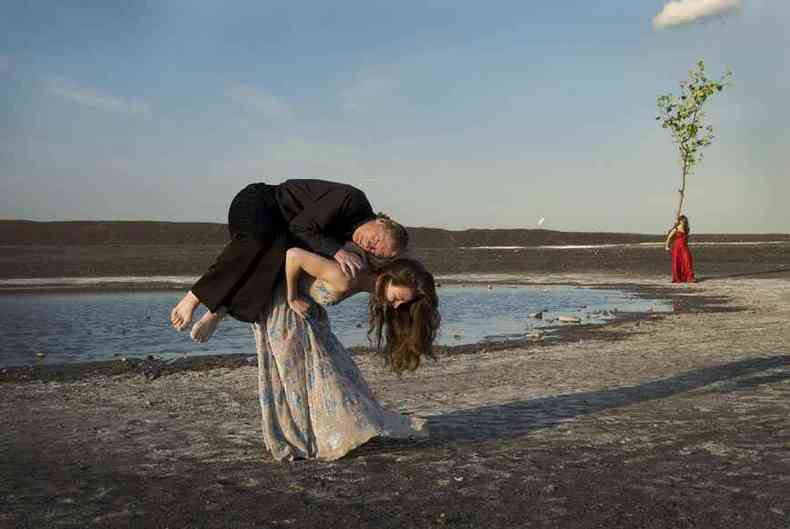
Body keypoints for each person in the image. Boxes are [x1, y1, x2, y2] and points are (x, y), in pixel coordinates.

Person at [253, 247, 440, 461]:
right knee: (295, 380)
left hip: (306, 316)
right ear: (389, 278)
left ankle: (318, 436)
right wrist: (292, 296)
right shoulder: (344, 277)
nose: (397, 306)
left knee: (340, 375)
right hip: (285, 312)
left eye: (402, 303)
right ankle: (301, 442)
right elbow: (293, 255)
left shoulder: (365, 277)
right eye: (397, 297)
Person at [169, 180, 409, 342]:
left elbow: (300, 248)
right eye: (376, 239)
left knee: (278, 264)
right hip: (259, 203)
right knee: (258, 242)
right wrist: (336, 251)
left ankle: (218, 312)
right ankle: (194, 297)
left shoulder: (353, 244)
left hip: (280, 234)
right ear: (381, 221)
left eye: (376, 250)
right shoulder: (352, 199)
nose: (370, 245)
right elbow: (300, 226)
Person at [664, 214, 696, 283]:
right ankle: (678, 278)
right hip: (677, 247)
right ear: (680, 221)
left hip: (684, 247)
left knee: (687, 261)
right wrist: (667, 246)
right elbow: (669, 237)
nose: (683, 222)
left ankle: (689, 277)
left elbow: (686, 239)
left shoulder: (687, 229)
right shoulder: (676, 228)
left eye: (684, 220)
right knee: (677, 262)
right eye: (682, 220)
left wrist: (686, 245)